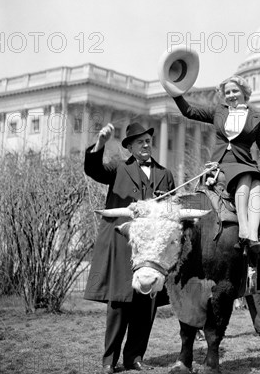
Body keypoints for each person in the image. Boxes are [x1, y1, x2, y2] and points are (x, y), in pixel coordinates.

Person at [84, 122, 176, 373]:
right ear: (130, 147)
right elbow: (93, 170)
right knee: (119, 304)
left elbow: (170, 210)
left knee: (146, 305)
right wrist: (100, 144)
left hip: (152, 252)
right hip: (123, 245)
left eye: (148, 141)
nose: (146, 145)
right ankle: (108, 361)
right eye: (140, 142)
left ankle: (135, 357)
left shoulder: (165, 174)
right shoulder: (117, 168)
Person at [173, 75, 260, 252]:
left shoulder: (256, 116)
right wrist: (175, 94)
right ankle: (244, 229)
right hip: (221, 163)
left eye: (235, 91)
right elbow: (189, 112)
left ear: (244, 92)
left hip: (244, 161)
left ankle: (254, 235)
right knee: (246, 177)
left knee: (257, 183)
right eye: (227, 92)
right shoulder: (218, 111)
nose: (231, 95)